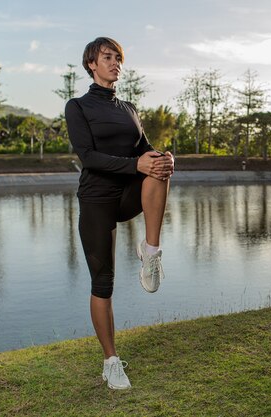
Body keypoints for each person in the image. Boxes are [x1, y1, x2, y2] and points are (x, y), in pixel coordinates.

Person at [65, 37, 174, 390]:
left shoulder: (128, 108)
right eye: (107, 57)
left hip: (126, 194)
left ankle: (151, 252)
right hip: (97, 199)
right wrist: (136, 163)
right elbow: (88, 156)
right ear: (91, 65)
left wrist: (162, 157)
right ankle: (111, 362)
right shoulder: (78, 107)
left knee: (158, 166)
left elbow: (144, 150)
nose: (115, 63)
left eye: (119, 58)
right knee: (103, 283)